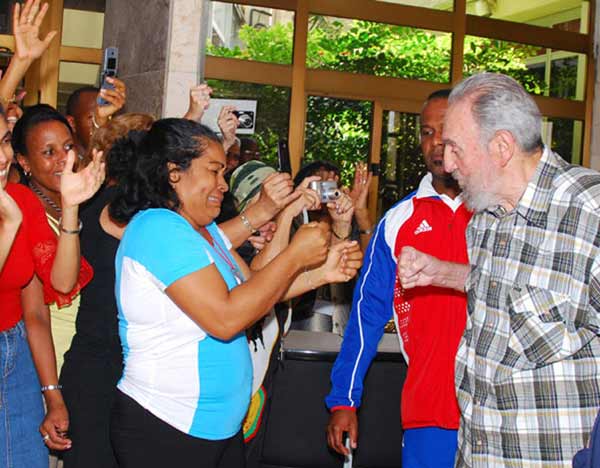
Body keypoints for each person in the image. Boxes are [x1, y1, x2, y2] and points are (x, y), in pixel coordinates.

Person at [107, 118, 362, 468]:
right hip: (168, 423)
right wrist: (294, 256)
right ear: (173, 172)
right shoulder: (157, 228)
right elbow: (226, 319)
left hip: (218, 428)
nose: (223, 185)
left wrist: (321, 273)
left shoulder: (202, 229)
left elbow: (253, 289)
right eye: (213, 171)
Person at [397, 72, 600, 467]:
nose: (446, 161)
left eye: (455, 147)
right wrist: (443, 273)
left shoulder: (590, 214)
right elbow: (504, 290)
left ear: (502, 147)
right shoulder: (486, 215)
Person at [326, 89, 472, 467]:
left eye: (446, 130)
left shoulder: (499, 214)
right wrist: (345, 399)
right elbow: (366, 316)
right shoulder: (398, 220)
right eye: (426, 132)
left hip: (502, 412)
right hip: (431, 412)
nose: (436, 143)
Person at [14, 103, 98, 373]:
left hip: (89, 354)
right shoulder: (21, 213)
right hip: (50, 360)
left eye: (68, 147)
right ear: (24, 162)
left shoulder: (85, 199)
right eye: (49, 152)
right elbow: (58, 290)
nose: (64, 159)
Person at [64, 78, 126, 157]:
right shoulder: (62, 163)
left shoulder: (114, 158)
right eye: (92, 117)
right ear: (71, 123)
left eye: (110, 117)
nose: (104, 122)